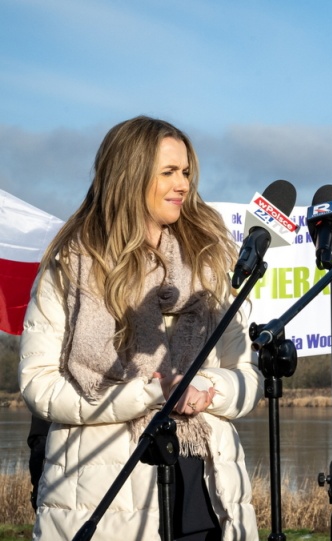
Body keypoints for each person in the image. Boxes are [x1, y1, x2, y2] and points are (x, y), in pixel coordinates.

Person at [19, 116, 264, 540]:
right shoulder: (70, 268)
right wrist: (149, 393)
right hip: (104, 497)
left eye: (186, 172)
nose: (183, 184)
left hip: (205, 488)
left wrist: (204, 389)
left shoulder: (210, 264)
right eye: (168, 172)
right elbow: (39, 386)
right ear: (129, 176)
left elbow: (248, 378)